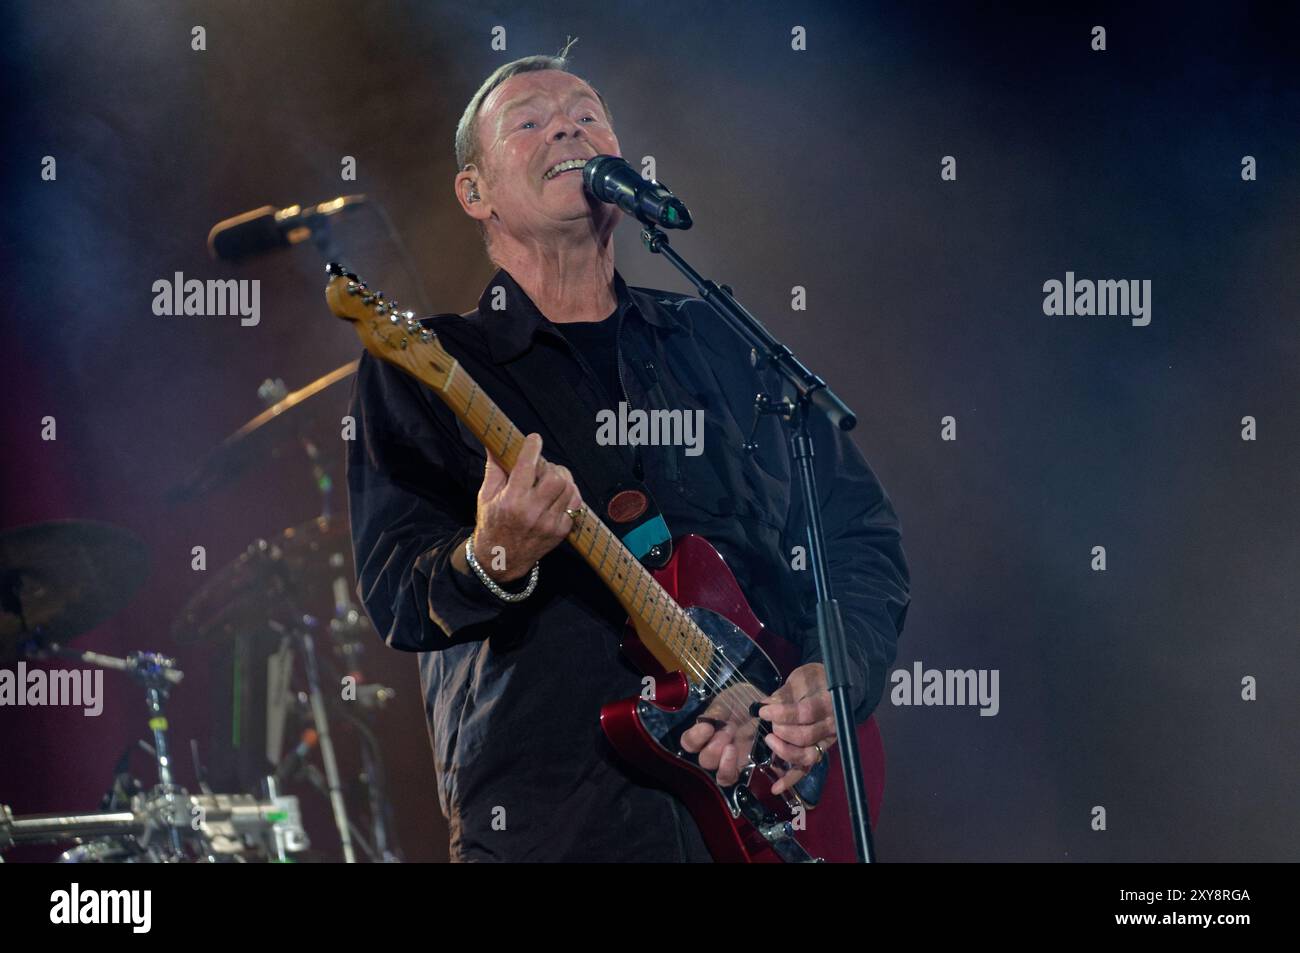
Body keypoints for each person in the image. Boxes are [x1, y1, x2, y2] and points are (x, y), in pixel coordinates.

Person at [346, 50, 910, 862]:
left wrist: (832, 678)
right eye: (531, 121)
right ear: (475, 194)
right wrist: (492, 557)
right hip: (559, 825)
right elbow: (399, 594)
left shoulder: (719, 341)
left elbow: (858, 535)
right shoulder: (428, 364)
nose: (568, 126)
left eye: (586, 113)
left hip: (771, 819)